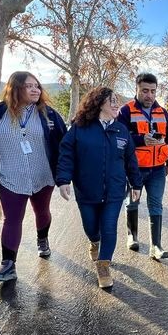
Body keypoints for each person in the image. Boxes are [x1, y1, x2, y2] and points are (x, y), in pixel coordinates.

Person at [0, 71, 67, 283]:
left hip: (42, 176)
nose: (36, 89)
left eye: (37, 85)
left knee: (42, 211)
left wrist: (66, 173)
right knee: (12, 219)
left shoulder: (49, 115)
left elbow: (65, 144)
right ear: (16, 88)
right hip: (9, 177)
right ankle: (8, 265)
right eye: (29, 86)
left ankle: (42, 239)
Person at [56, 87, 142, 288]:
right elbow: (66, 154)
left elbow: (131, 160)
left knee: (109, 227)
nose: (116, 105)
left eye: (117, 101)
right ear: (98, 102)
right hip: (86, 190)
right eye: (112, 100)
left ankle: (103, 267)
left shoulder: (121, 130)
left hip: (114, 191)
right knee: (91, 228)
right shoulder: (80, 128)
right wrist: (63, 180)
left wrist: (136, 184)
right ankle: (94, 242)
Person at [118, 73, 168, 261]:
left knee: (156, 204)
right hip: (135, 169)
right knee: (133, 202)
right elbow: (119, 138)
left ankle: (156, 246)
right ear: (137, 89)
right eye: (145, 91)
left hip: (158, 169)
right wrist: (141, 139)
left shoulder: (163, 112)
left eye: (152, 91)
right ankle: (132, 236)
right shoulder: (125, 111)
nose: (149, 95)